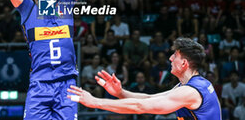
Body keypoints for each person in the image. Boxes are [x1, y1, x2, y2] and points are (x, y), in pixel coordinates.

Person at [68, 38, 222, 119]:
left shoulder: (190, 92)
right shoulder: (190, 85)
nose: (169, 58)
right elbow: (149, 98)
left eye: (174, 56)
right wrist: (120, 92)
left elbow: (141, 107)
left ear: (183, 63)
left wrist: (95, 102)